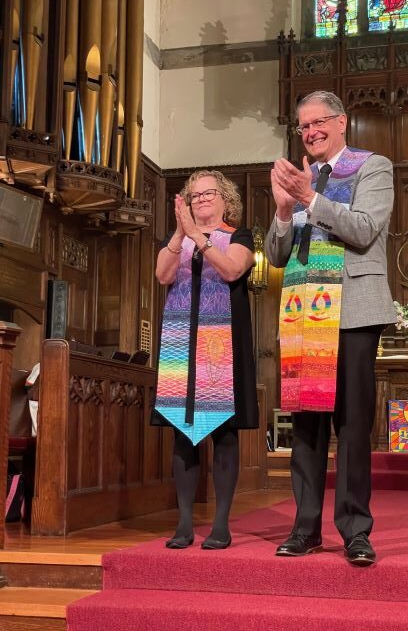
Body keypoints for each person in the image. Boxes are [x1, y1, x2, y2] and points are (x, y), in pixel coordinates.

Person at [266, 90, 396, 565]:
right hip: (304, 313)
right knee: (307, 427)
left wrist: (309, 197)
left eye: (319, 122)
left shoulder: (372, 167)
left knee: (354, 426)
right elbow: (277, 255)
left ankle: (356, 530)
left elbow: (362, 229)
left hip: (354, 311)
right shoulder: (300, 181)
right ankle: (305, 528)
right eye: (303, 126)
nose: (311, 131)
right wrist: (283, 209)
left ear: (342, 122)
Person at [152, 169, 258, 551]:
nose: (201, 200)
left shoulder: (240, 235)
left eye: (208, 193)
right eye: (194, 196)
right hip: (183, 344)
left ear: (225, 199)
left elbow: (231, 269)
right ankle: (183, 523)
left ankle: (221, 524)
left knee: (224, 435)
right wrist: (181, 235)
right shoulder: (177, 240)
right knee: (183, 433)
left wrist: (200, 238)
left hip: (223, 345)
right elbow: (163, 276)